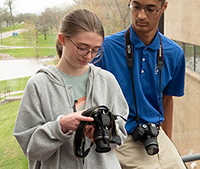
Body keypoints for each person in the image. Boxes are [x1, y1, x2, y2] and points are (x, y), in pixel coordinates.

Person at [13, 9, 128, 169]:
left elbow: (121, 133)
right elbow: (30, 149)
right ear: (62, 40)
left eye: (95, 50)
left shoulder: (107, 81)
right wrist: (60, 126)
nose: (88, 56)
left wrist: (102, 133)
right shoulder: (39, 85)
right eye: (82, 47)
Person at [93, 0, 186, 169]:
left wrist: (167, 141)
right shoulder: (106, 48)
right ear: (130, 1)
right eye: (136, 7)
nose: (141, 15)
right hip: (120, 135)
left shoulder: (174, 54)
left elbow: (167, 99)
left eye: (150, 9)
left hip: (154, 135)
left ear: (163, 8)